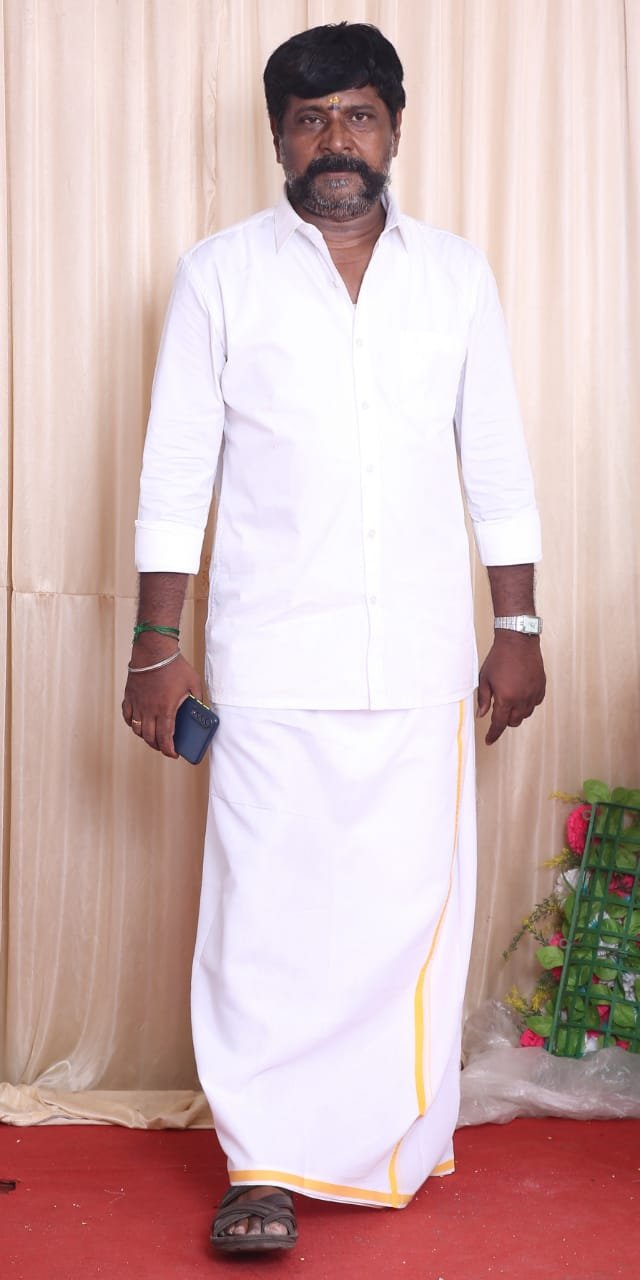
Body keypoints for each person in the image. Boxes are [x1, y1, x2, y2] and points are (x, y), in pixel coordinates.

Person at [122, 21, 545, 1255]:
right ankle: (261, 1162)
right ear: (277, 140)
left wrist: (516, 624)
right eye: (310, 120)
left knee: (402, 916)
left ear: (394, 129)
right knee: (262, 919)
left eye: (357, 114)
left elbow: (496, 462)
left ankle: (379, 1143)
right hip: (270, 661)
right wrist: (156, 644)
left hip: (418, 658)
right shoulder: (218, 276)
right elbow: (175, 472)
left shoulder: (454, 276)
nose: (335, 140)